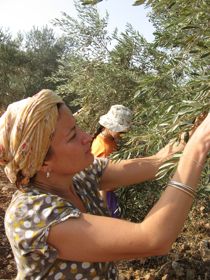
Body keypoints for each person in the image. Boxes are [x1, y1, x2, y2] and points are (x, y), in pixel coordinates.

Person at [0, 89, 209, 280]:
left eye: (77, 127)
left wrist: (192, 133)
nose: (87, 137)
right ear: (43, 160)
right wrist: (198, 147)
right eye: (72, 135)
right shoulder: (32, 214)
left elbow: (156, 162)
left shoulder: (82, 175)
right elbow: (154, 239)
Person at [91, 105, 132, 217]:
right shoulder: (103, 148)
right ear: (109, 126)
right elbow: (101, 182)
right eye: (120, 130)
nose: (122, 133)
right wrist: (103, 210)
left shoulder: (107, 139)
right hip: (105, 197)